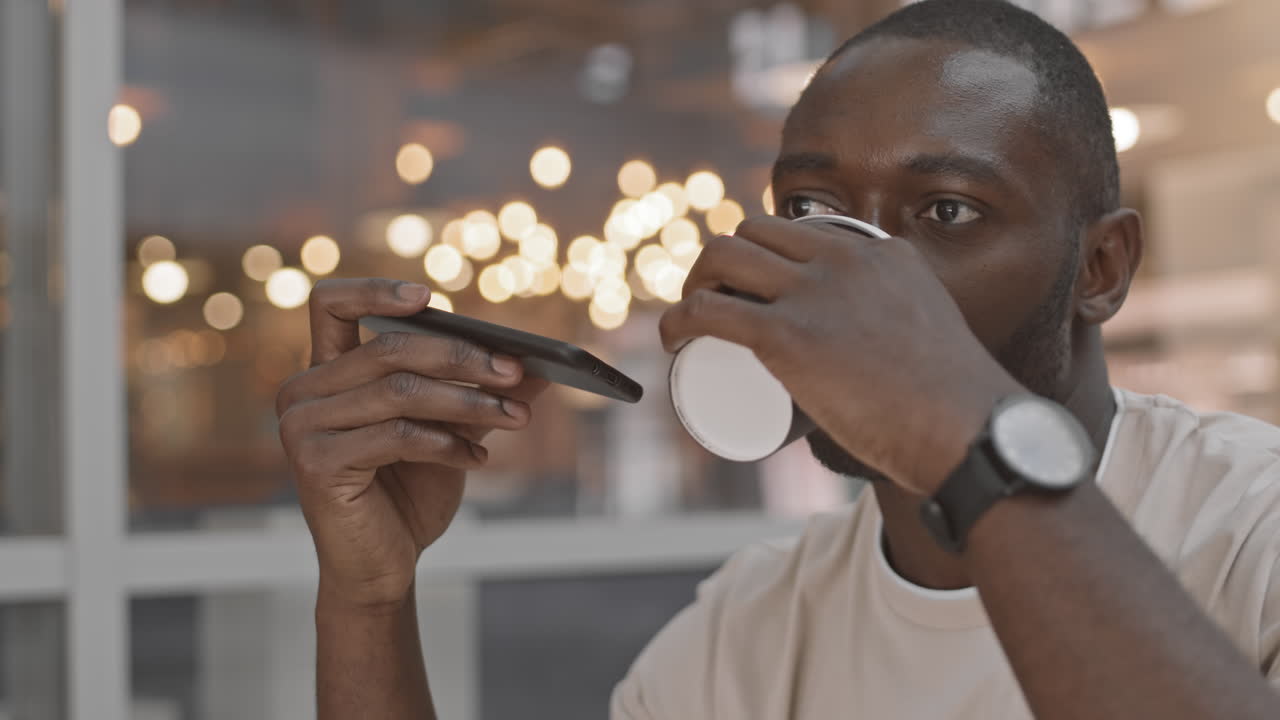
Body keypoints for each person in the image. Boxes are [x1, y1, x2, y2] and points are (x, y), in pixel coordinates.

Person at [274, 1, 1280, 717]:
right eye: (810, 212)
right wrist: (368, 603)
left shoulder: (1250, 534)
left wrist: (956, 427)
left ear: (1098, 267)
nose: (848, 274)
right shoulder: (744, 641)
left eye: (945, 212)